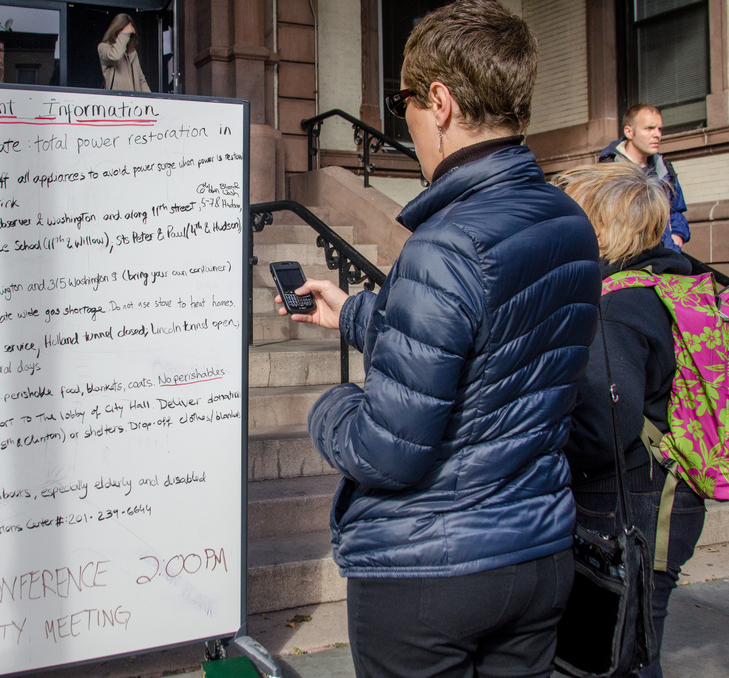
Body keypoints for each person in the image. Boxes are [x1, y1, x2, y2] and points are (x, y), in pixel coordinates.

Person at [274, 2, 601, 676]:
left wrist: (328, 408)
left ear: (441, 102)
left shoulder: (446, 245)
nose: (410, 124)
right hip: (536, 554)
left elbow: (387, 453)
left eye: (407, 105)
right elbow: (493, 343)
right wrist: (357, 315)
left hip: (430, 574)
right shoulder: (567, 219)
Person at [554, 162, 707, 678]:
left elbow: (602, 429)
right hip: (668, 492)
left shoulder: (616, 304)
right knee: (638, 638)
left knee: (621, 653)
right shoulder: (667, 281)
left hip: (634, 502)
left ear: (598, 229)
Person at [599, 104, 689, 251]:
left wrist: (677, 236)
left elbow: (676, 210)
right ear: (629, 131)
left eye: (659, 129)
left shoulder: (664, 170)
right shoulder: (608, 171)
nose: (657, 134)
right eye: (649, 128)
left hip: (666, 258)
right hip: (628, 262)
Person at [98, 13, 150, 92]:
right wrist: (124, 34)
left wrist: (150, 101)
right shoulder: (104, 47)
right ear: (116, 30)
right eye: (123, 32)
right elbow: (115, 56)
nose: (127, 35)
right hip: (116, 100)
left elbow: (141, 80)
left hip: (135, 100)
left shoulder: (132, 52)